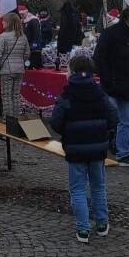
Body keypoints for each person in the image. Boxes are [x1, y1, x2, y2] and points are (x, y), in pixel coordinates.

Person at [49, 56, 117, 244]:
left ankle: (83, 229)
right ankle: (102, 223)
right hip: (98, 146)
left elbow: (55, 121)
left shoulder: (67, 93)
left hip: (76, 147)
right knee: (98, 185)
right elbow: (113, 115)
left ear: (72, 71)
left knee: (77, 189)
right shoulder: (99, 91)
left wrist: (67, 132)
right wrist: (105, 130)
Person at [93, 2, 129, 168]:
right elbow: (99, 59)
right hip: (113, 86)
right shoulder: (110, 34)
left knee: (128, 121)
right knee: (106, 120)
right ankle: (97, 153)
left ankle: (124, 154)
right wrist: (108, 81)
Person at [0, 12, 29, 117]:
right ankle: (16, 118)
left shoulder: (3, 36)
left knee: (6, 97)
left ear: (8, 23)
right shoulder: (23, 37)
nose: (2, 22)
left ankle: (8, 121)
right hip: (19, 70)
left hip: (6, 70)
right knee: (16, 96)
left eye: (4, 20)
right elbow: (27, 54)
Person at [57, 2, 84, 69]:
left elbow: (63, 29)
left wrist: (59, 45)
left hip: (66, 42)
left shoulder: (65, 15)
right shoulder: (75, 14)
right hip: (75, 41)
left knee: (67, 59)